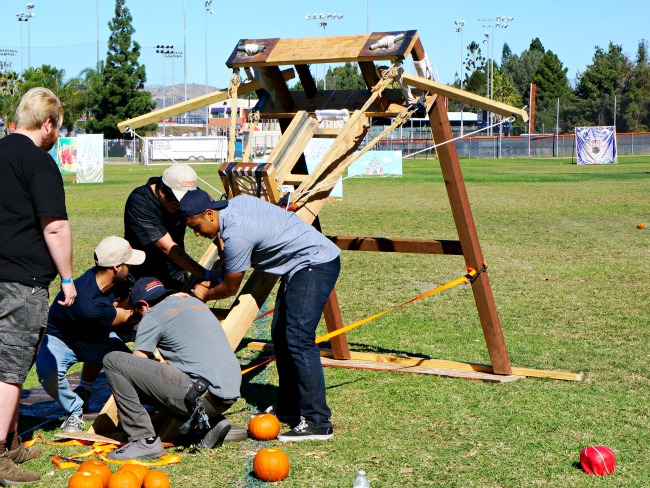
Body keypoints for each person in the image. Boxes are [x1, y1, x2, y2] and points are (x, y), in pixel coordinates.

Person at [180, 189, 340, 442]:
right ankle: (288, 406)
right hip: (299, 266)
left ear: (210, 214)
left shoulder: (237, 235)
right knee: (281, 335)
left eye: (196, 227)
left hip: (314, 264)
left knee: (298, 339)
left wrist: (204, 295)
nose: (197, 234)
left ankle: (318, 421)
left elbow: (231, 287)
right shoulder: (236, 204)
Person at [0, 87, 77, 484]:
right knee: (10, 370)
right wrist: (66, 277)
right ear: (46, 124)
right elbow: (55, 225)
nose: (55, 137)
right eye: (56, 129)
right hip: (21, 281)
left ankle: (12, 441)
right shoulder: (40, 163)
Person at [103, 277, 241, 460]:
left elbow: (136, 368)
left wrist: (127, 410)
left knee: (114, 361)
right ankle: (210, 424)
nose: (139, 318)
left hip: (200, 396)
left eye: (138, 313)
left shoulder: (153, 314)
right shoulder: (192, 302)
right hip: (226, 394)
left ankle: (144, 440)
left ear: (144, 304)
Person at [35, 236, 145, 434]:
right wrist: (149, 309)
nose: (131, 268)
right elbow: (128, 316)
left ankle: (92, 393)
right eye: (128, 264)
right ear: (117, 268)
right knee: (47, 371)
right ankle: (74, 410)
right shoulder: (89, 304)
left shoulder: (113, 279)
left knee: (138, 369)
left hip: (96, 337)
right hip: (62, 340)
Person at [123, 163, 219, 291]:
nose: (180, 206)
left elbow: (215, 218)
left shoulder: (187, 195)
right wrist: (205, 274)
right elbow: (167, 246)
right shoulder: (140, 202)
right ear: (162, 190)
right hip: (144, 275)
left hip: (176, 270)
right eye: (176, 201)